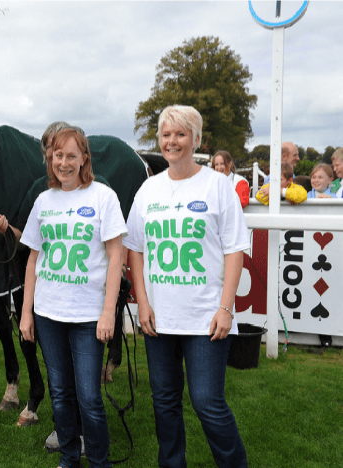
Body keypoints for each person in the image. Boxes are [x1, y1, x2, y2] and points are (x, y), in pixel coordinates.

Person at [124, 105, 249, 468]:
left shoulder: (217, 185)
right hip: (159, 318)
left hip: (206, 318)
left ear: (196, 138)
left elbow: (234, 249)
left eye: (180, 134)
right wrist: (142, 304)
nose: (172, 141)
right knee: (164, 402)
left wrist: (226, 308)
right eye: (166, 134)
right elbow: (136, 251)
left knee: (208, 402)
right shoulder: (149, 189)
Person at [19, 128, 124, 468]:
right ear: (51, 159)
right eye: (57, 155)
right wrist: (26, 313)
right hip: (49, 313)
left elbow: (115, 258)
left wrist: (108, 313)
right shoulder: (43, 200)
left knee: (89, 397)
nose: (63, 162)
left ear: (84, 159)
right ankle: (68, 457)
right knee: (60, 393)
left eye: (71, 156)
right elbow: (34, 259)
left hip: (88, 316)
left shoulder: (103, 197)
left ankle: (98, 461)